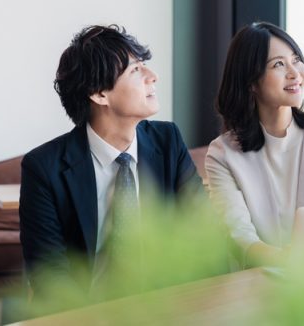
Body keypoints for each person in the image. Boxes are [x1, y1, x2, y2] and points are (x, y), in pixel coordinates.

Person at [20, 25, 203, 298]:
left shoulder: (168, 141)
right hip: (86, 310)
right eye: (135, 70)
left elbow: (202, 230)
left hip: (164, 306)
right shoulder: (44, 168)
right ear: (99, 94)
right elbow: (49, 276)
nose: (153, 76)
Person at [206, 21, 304, 268]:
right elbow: (239, 236)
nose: (295, 73)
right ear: (251, 82)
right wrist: (285, 261)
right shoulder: (222, 153)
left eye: (296, 60)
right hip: (258, 279)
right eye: (278, 64)